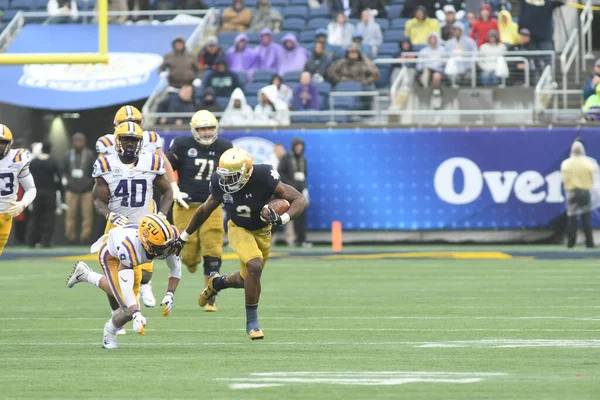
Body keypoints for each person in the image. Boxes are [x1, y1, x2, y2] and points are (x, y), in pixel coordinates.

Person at [172, 148, 308, 340]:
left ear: (246, 173)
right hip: (238, 228)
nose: (226, 181)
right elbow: (204, 210)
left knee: (248, 279)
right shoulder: (220, 183)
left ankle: (217, 282)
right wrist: (183, 237)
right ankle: (252, 323)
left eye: (232, 176)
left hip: (263, 231)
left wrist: (282, 218)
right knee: (255, 265)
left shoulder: (263, 175)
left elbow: (299, 199)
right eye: (224, 176)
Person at [93, 122, 174, 329]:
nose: (130, 144)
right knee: (117, 282)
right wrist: (110, 215)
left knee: (144, 275)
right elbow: (97, 200)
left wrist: (162, 215)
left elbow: (167, 192)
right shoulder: (105, 164)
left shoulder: (152, 162)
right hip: (117, 228)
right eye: (126, 139)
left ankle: (125, 302)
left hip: (144, 228)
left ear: (141, 143)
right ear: (117, 141)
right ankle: (116, 315)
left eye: (134, 140)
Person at [66, 213, 182, 349]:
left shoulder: (169, 239)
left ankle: (85, 274)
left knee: (126, 297)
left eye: (165, 246)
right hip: (110, 256)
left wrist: (170, 293)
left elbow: (175, 267)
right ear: (146, 242)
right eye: (159, 247)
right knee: (127, 308)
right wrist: (136, 314)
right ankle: (109, 333)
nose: (164, 250)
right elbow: (126, 288)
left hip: (129, 252)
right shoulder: (130, 248)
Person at [166, 111, 233, 312]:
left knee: (213, 250)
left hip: (211, 205)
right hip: (186, 206)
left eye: (210, 128)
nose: (206, 132)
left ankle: (211, 295)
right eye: (202, 129)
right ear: (194, 130)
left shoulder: (225, 148)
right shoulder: (182, 144)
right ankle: (191, 262)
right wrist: (173, 188)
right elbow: (167, 168)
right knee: (187, 254)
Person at [96, 105, 184, 209]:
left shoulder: (150, 139)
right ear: (116, 125)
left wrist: (173, 185)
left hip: (145, 191)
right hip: (119, 192)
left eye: (135, 122)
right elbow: (100, 173)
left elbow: (164, 162)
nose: (131, 126)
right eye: (125, 122)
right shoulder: (107, 143)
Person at [0, 125, 37, 256]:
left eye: (2, 143)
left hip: (5, 215)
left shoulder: (18, 159)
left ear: (10, 144)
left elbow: (31, 188)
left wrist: (22, 204)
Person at [27, 141, 63, 248]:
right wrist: (60, 191)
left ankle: (31, 241)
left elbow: (28, 177)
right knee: (50, 218)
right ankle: (46, 241)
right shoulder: (53, 162)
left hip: (37, 193)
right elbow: (59, 179)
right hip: (49, 193)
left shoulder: (34, 163)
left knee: (35, 217)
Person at [561, 141, 595, 248]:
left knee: (572, 218)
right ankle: (589, 242)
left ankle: (571, 243)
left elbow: (564, 179)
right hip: (584, 191)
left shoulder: (566, 163)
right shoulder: (588, 163)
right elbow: (592, 178)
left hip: (571, 191)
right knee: (586, 217)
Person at [278, 138, 310, 247]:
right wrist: (290, 183)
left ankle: (301, 239)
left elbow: (305, 174)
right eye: (297, 147)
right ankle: (288, 239)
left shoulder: (303, 159)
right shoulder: (286, 158)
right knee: (285, 214)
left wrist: (304, 188)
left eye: (301, 147)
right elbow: (280, 173)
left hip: (300, 191)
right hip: (288, 191)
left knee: (301, 214)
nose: (299, 149)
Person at [64, 132, 95, 244]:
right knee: (70, 214)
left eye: (80, 141)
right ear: (73, 142)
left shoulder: (89, 154)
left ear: (84, 142)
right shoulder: (68, 155)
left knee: (87, 215)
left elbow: (94, 172)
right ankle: (70, 237)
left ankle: (85, 237)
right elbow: (65, 172)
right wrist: (69, 183)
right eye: (76, 140)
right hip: (71, 190)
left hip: (86, 190)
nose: (78, 143)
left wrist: (89, 183)